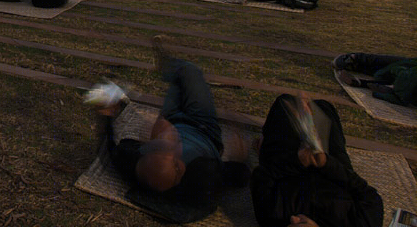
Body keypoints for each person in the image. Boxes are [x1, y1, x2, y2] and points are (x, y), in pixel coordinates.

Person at [96, 38, 250, 224]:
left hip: (173, 117)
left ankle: (170, 68)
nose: (174, 142)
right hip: (204, 127)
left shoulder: (134, 163)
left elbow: (115, 147)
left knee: (178, 82)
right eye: (173, 147)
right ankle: (170, 66)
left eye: (159, 145)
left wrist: (109, 115)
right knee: (190, 72)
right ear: (179, 170)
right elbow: (240, 176)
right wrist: (241, 156)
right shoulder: (202, 174)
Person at [252, 94, 383, 227]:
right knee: (323, 107)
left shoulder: (272, 218)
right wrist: (326, 163)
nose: (293, 219)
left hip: (287, 159)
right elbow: (368, 195)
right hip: (333, 164)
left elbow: (261, 175)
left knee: (285, 102)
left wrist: (297, 161)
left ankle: (265, 143)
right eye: (301, 223)